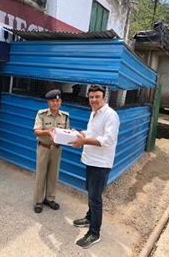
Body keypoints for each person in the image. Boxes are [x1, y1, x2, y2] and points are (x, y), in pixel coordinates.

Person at [69, 84, 120, 249]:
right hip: (90, 160)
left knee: (96, 199)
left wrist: (83, 141)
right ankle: (90, 217)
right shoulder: (94, 113)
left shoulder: (110, 115)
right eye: (91, 97)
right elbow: (93, 133)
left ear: (103, 97)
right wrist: (81, 134)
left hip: (101, 163)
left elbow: (108, 140)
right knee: (91, 193)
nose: (94, 100)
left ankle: (94, 232)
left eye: (97, 97)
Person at [33, 89, 70, 213]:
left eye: (58, 100)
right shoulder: (41, 114)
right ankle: (38, 201)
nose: (55, 103)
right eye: (53, 101)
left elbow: (66, 133)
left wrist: (72, 135)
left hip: (57, 149)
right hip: (44, 147)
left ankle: (50, 199)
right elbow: (36, 131)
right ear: (48, 102)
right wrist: (47, 132)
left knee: (53, 175)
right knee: (41, 175)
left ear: (61, 101)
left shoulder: (65, 116)